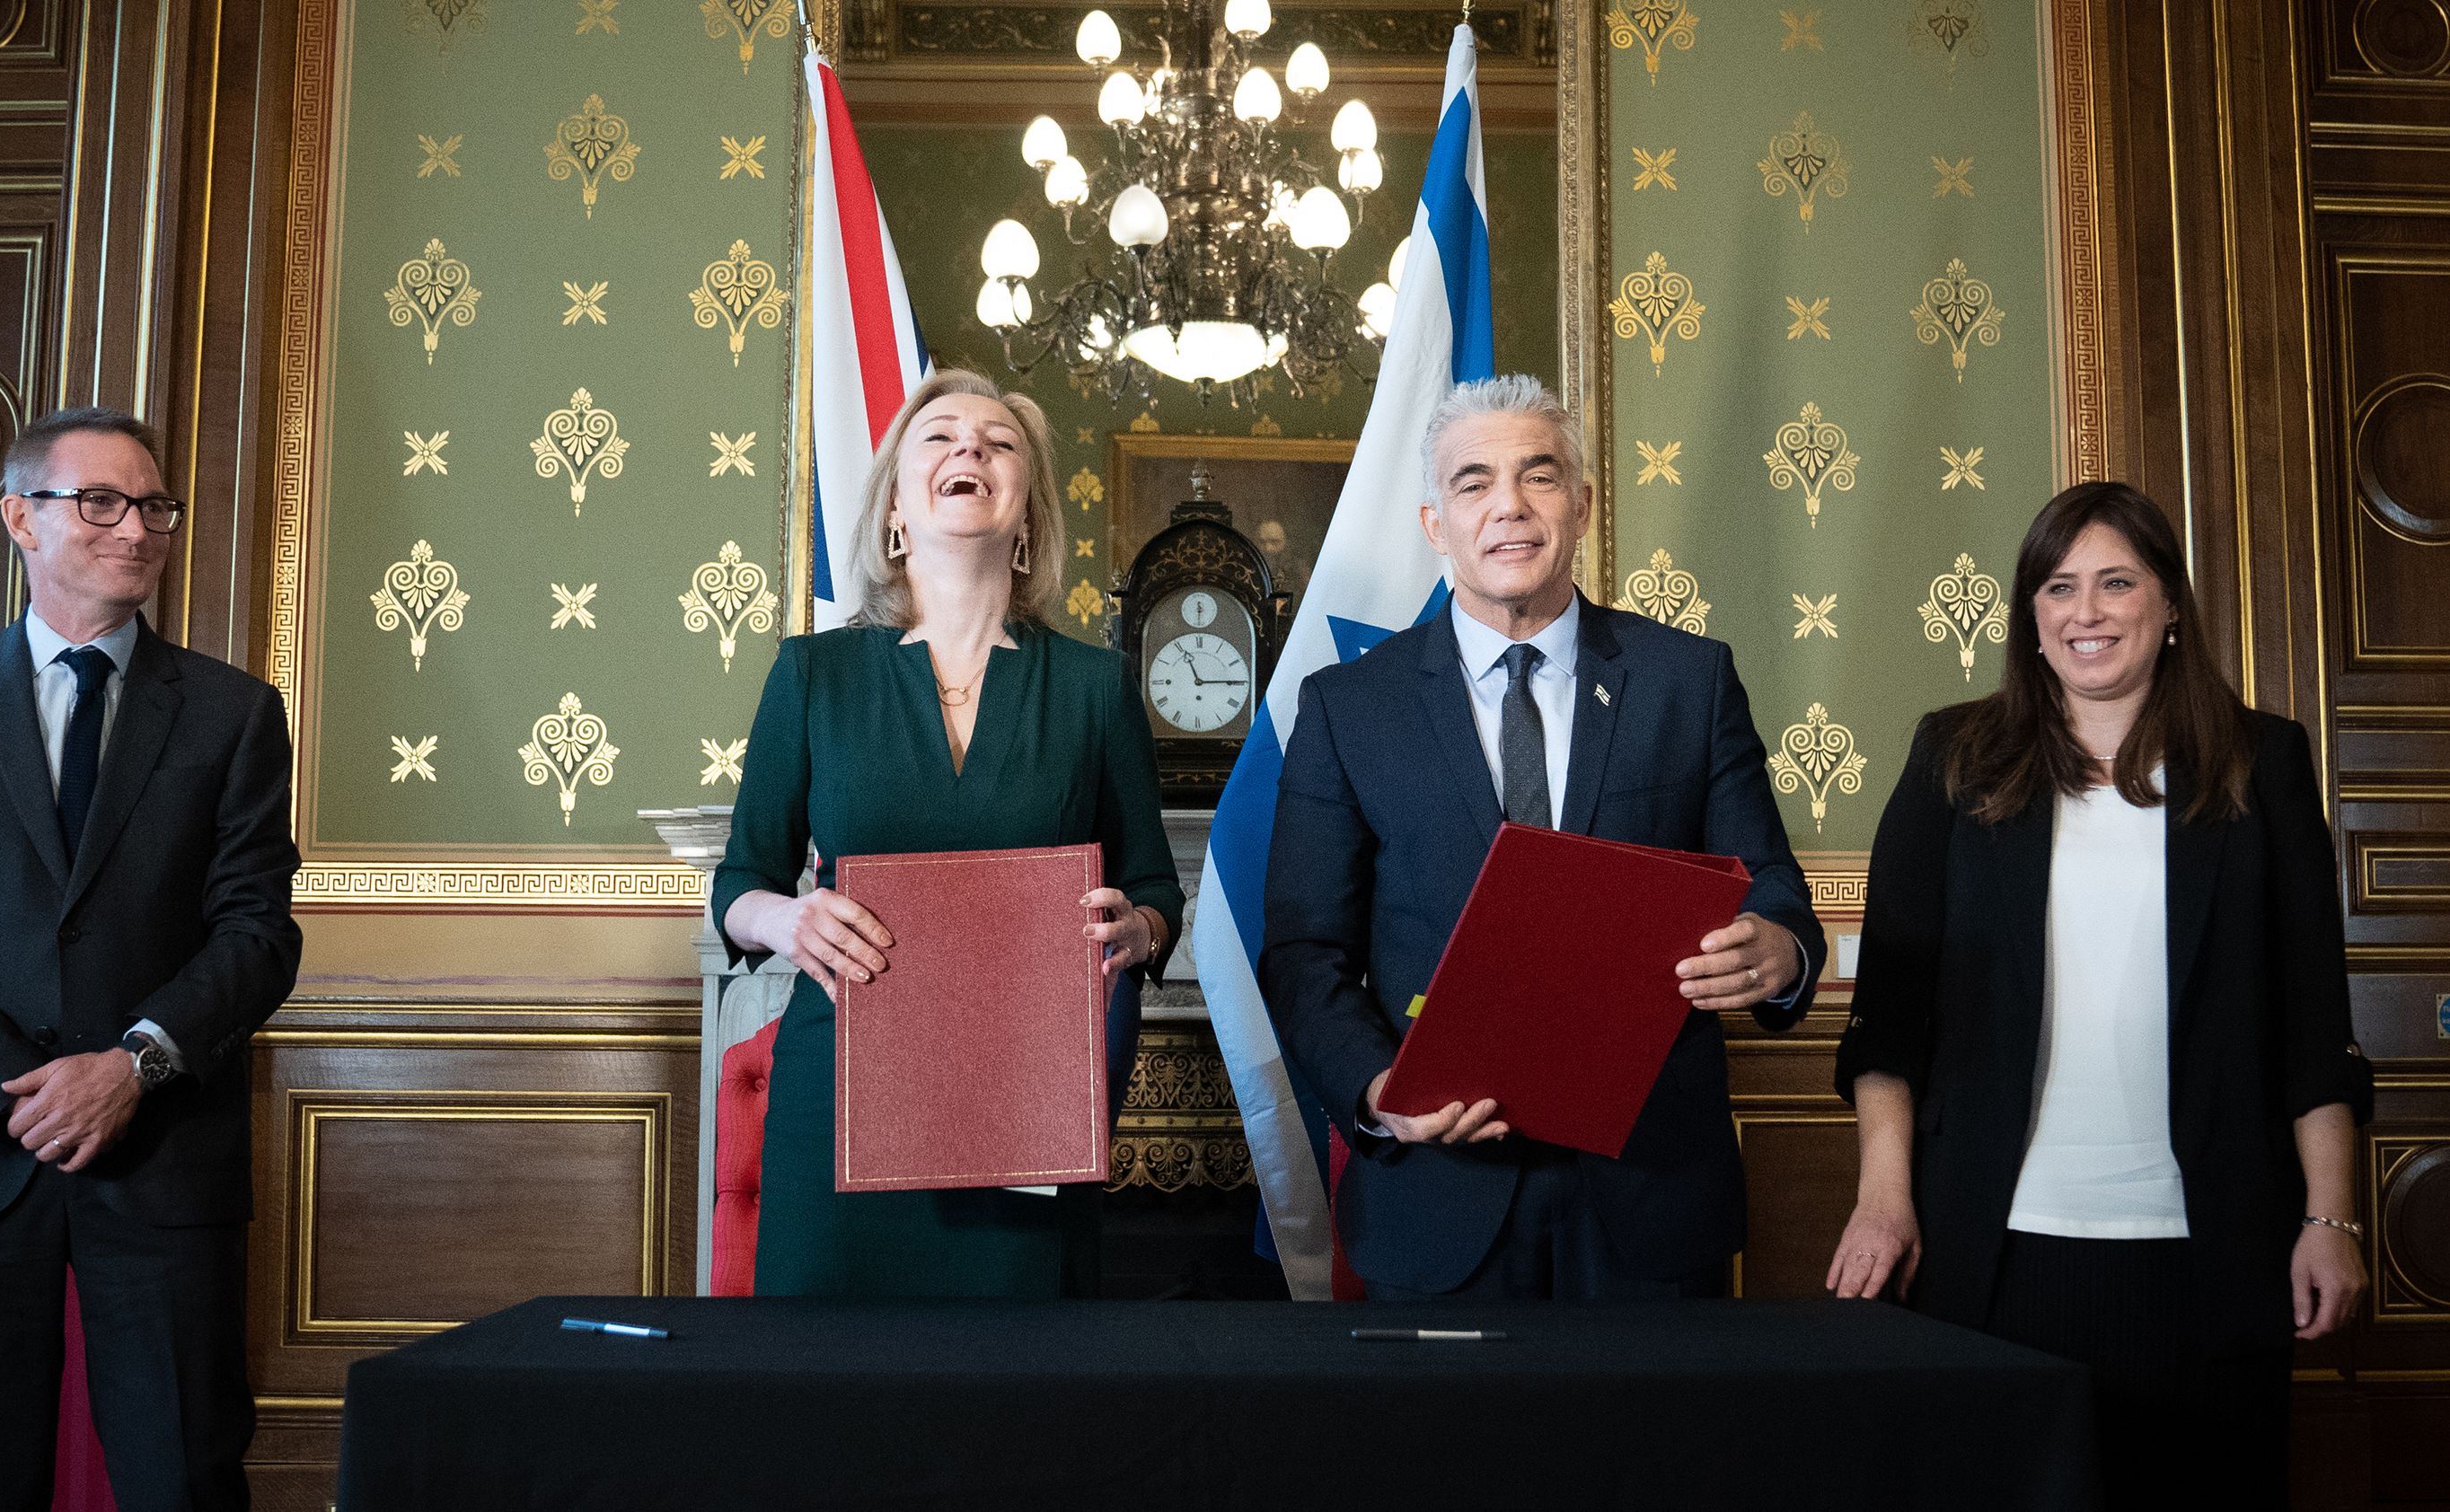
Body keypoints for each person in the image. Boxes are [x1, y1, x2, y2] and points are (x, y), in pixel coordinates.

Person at [1828, 481, 2371, 1508]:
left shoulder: (2264, 763)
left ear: (2168, 606)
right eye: (2058, 586)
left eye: (2116, 582)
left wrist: (2330, 1219)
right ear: (2029, 618)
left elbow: (2312, 1020)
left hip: (2210, 1252)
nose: (2086, 611)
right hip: (1992, 1248)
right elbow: (1888, 1025)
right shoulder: (1951, 757)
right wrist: (1883, 1199)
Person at [1261, 374, 1823, 1301]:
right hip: (1436, 1197)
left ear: (1584, 503)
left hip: (1650, 1195)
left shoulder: (1688, 680)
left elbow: (1769, 886)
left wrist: (1779, 949)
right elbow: (1302, 951)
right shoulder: (1346, 708)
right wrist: (1377, 1091)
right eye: (1473, 482)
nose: (1508, 507)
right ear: (1434, 522)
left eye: (1538, 475)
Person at [0, 408, 301, 1511]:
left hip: (162, 1147)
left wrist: (128, 1066)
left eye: (153, 506)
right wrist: (18, 1093)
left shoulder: (234, 714)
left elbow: (257, 934)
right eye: (99, 501)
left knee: (183, 1474)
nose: (135, 528)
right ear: (19, 519)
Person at [711, 369, 1184, 1297]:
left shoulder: (1094, 687)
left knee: (1017, 1408)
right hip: (840, 1100)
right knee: (830, 1403)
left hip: (1027, 1107)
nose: (969, 448)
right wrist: (784, 920)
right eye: (939, 436)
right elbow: (737, 884)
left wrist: (1138, 930)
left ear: (1028, 513)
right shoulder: (811, 675)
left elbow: (1158, 893)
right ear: (894, 503)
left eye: (998, 442)